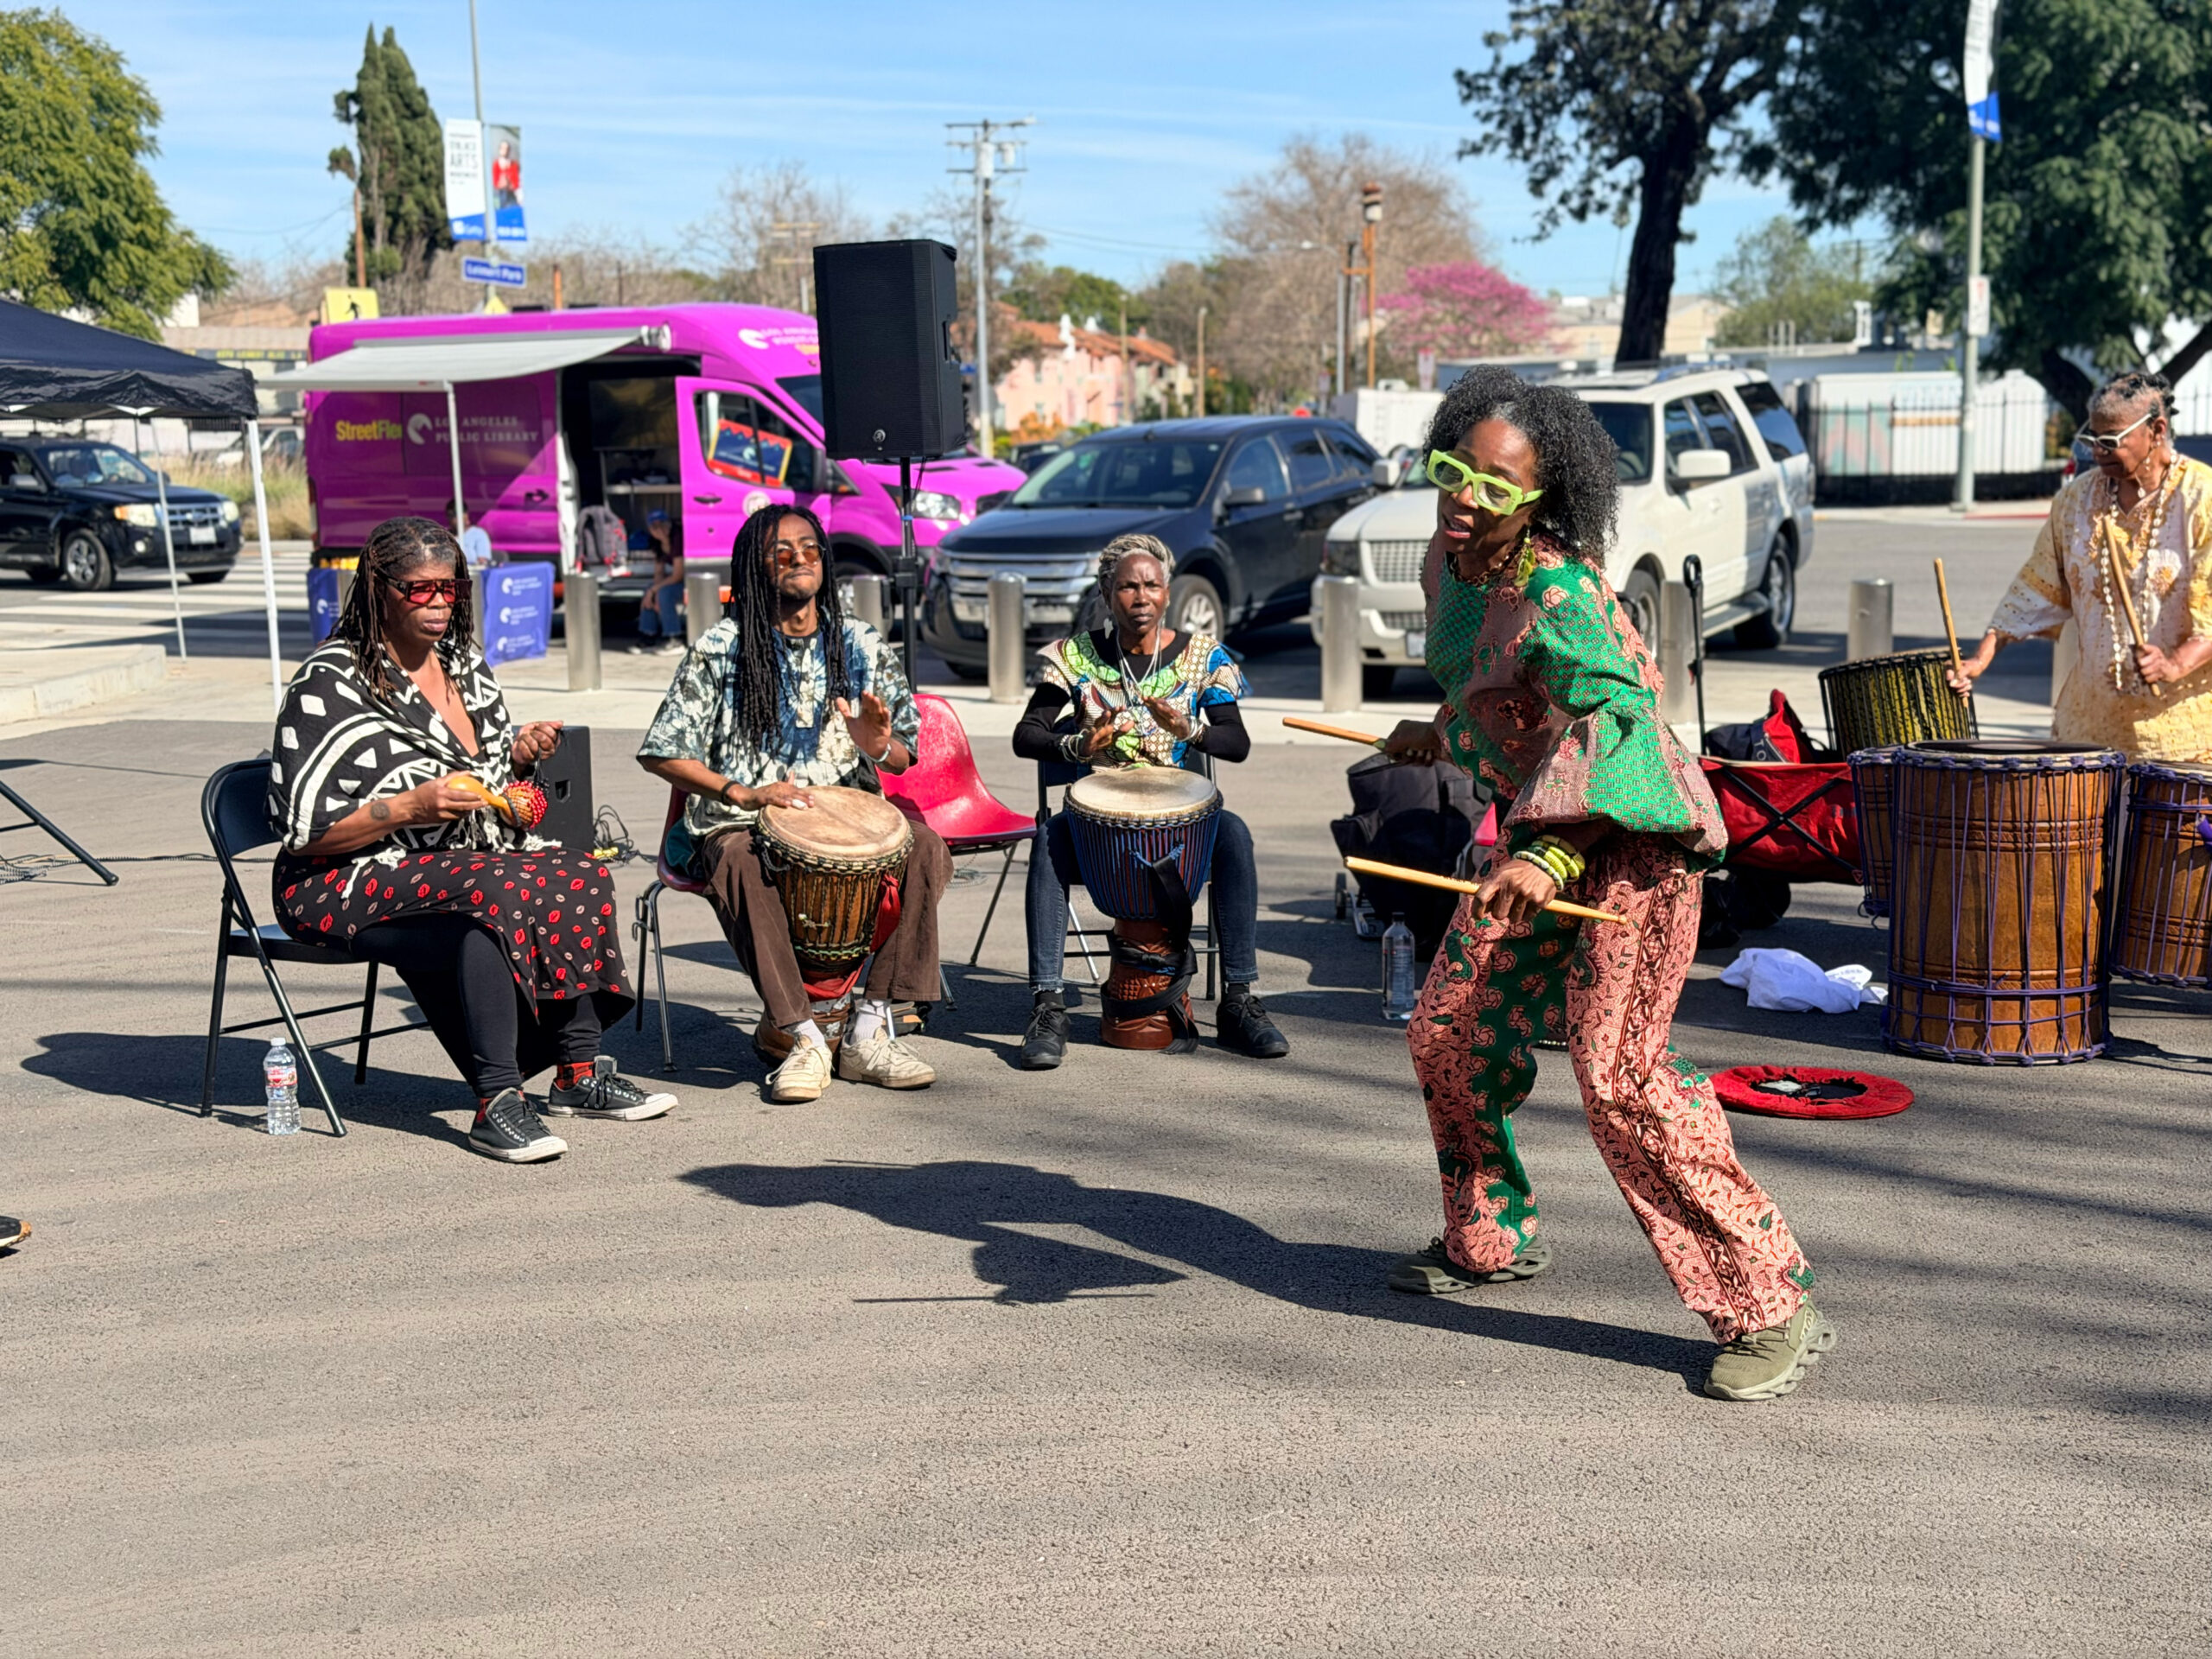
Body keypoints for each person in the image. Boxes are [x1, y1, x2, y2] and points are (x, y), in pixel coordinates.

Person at [1377, 365, 1832, 1403]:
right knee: (1447, 1027)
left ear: (1540, 497)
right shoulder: (1452, 569)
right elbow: (1501, 693)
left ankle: (1770, 1302)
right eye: (1455, 469)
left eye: (1496, 484)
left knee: (1620, 1076)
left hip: (1630, 837)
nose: (1467, 495)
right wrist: (1443, 732)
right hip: (1542, 829)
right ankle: (1489, 1237)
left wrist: (1549, 853)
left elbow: (1612, 724)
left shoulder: (1562, 590)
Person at [269, 515, 674, 1164]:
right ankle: (497, 1102)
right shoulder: (329, 681)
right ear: (378, 587)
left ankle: (578, 1072)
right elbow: (305, 831)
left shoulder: (463, 663)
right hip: (336, 879)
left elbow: (483, 787)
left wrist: (515, 761)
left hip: (448, 862)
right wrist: (408, 806)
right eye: (418, 589)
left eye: (449, 588)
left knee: (580, 868)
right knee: (491, 895)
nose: (437, 603)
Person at [638, 504, 950, 1102]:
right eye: (783, 551)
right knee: (739, 861)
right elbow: (661, 752)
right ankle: (801, 1035)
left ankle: (868, 1028)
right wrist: (742, 793)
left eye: (810, 548)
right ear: (757, 566)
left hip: (846, 817)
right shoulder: (723, 648)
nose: (800, 559)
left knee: (927, 848)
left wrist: (880, 747)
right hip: (741, 818)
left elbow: (905, 755)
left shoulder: (856, 642)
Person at [1012, 533, 1287, 1066]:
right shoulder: (1073, 657)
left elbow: (1237, 744)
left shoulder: (1203, 656)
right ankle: (1048, 1004)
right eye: (1127, 587)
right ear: (1107, 594)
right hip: (1097, 823)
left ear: (1167, 593)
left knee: (1234, 835)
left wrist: (1191, 729)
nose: (1140, 596)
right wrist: (1077, 744)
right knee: (1048, 839)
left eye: (1151, 585)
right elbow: (1028, 735)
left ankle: (1239, 999)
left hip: (1179, 825)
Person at [1948, 369, 2212, 757]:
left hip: (2182, 742)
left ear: (2156, 430)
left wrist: (2172, 664)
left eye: (2110, 441)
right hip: (2088, 733)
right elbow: (2035, 588)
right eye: (2092, 439)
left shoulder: (2202, 499)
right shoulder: (2074, 503)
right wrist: (1981, 658)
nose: (2096, 452)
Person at [629, 510, 685, 654]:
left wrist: (655, 591)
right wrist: (653, 593)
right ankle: (648, 636)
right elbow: (659, 572)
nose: (660, 529)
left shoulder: (678, 538)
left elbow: (678, 575)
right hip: (676, 580)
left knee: (664, 593)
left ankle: (674, 638)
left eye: (663, 524)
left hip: (688, 581)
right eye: (654, 527)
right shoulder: (656, 543)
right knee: (650, 590)